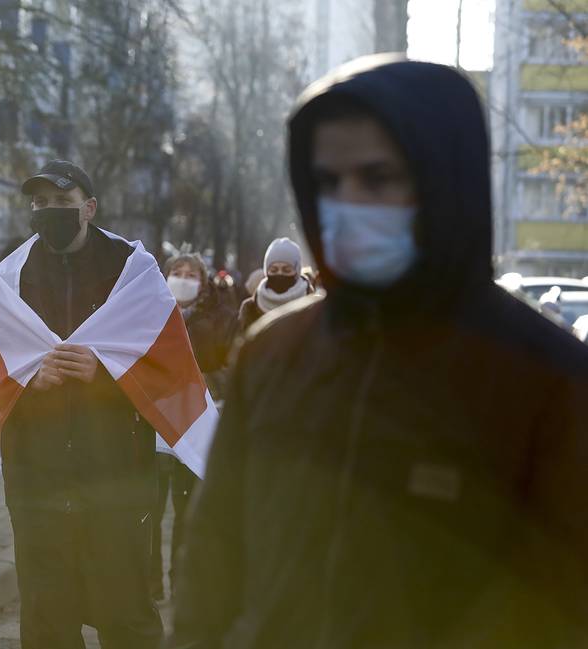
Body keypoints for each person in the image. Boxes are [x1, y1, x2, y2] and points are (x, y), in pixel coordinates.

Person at [170, 56, 588, 649]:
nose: (348, 202)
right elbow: (212, 563)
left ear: (442, 180)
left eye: (378, 178)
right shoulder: (275, 349)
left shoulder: (548, 379)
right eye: (329, 182)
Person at [0, 160, 217, 649]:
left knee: (125, 609)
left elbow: (170, 366)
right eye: (40, 204)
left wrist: (104, 375)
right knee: (45, 613)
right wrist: (30, 378)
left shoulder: (133, 271)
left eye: (62, 202)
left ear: (89, 207)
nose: (49, 212)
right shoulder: (9, 276)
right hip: (36, 470)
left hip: (116, 470)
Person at [151, 252, 236, 600]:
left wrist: (203, 382)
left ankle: (183, 584)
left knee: (188, 512)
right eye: (176, 272)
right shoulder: (149, 313)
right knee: (148, 510)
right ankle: (149, 583)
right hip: (153, 425)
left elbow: (236, 367)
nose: (183, 278)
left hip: (198, 426)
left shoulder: (223, 317)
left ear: (203, 282)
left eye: (191, 274)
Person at [238, 237, 314, 333]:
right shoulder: (249, 308)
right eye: (273, 270)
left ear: (297, 272)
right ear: (266, 272)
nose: (280, 274)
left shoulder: (313, 305)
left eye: (286, 270)